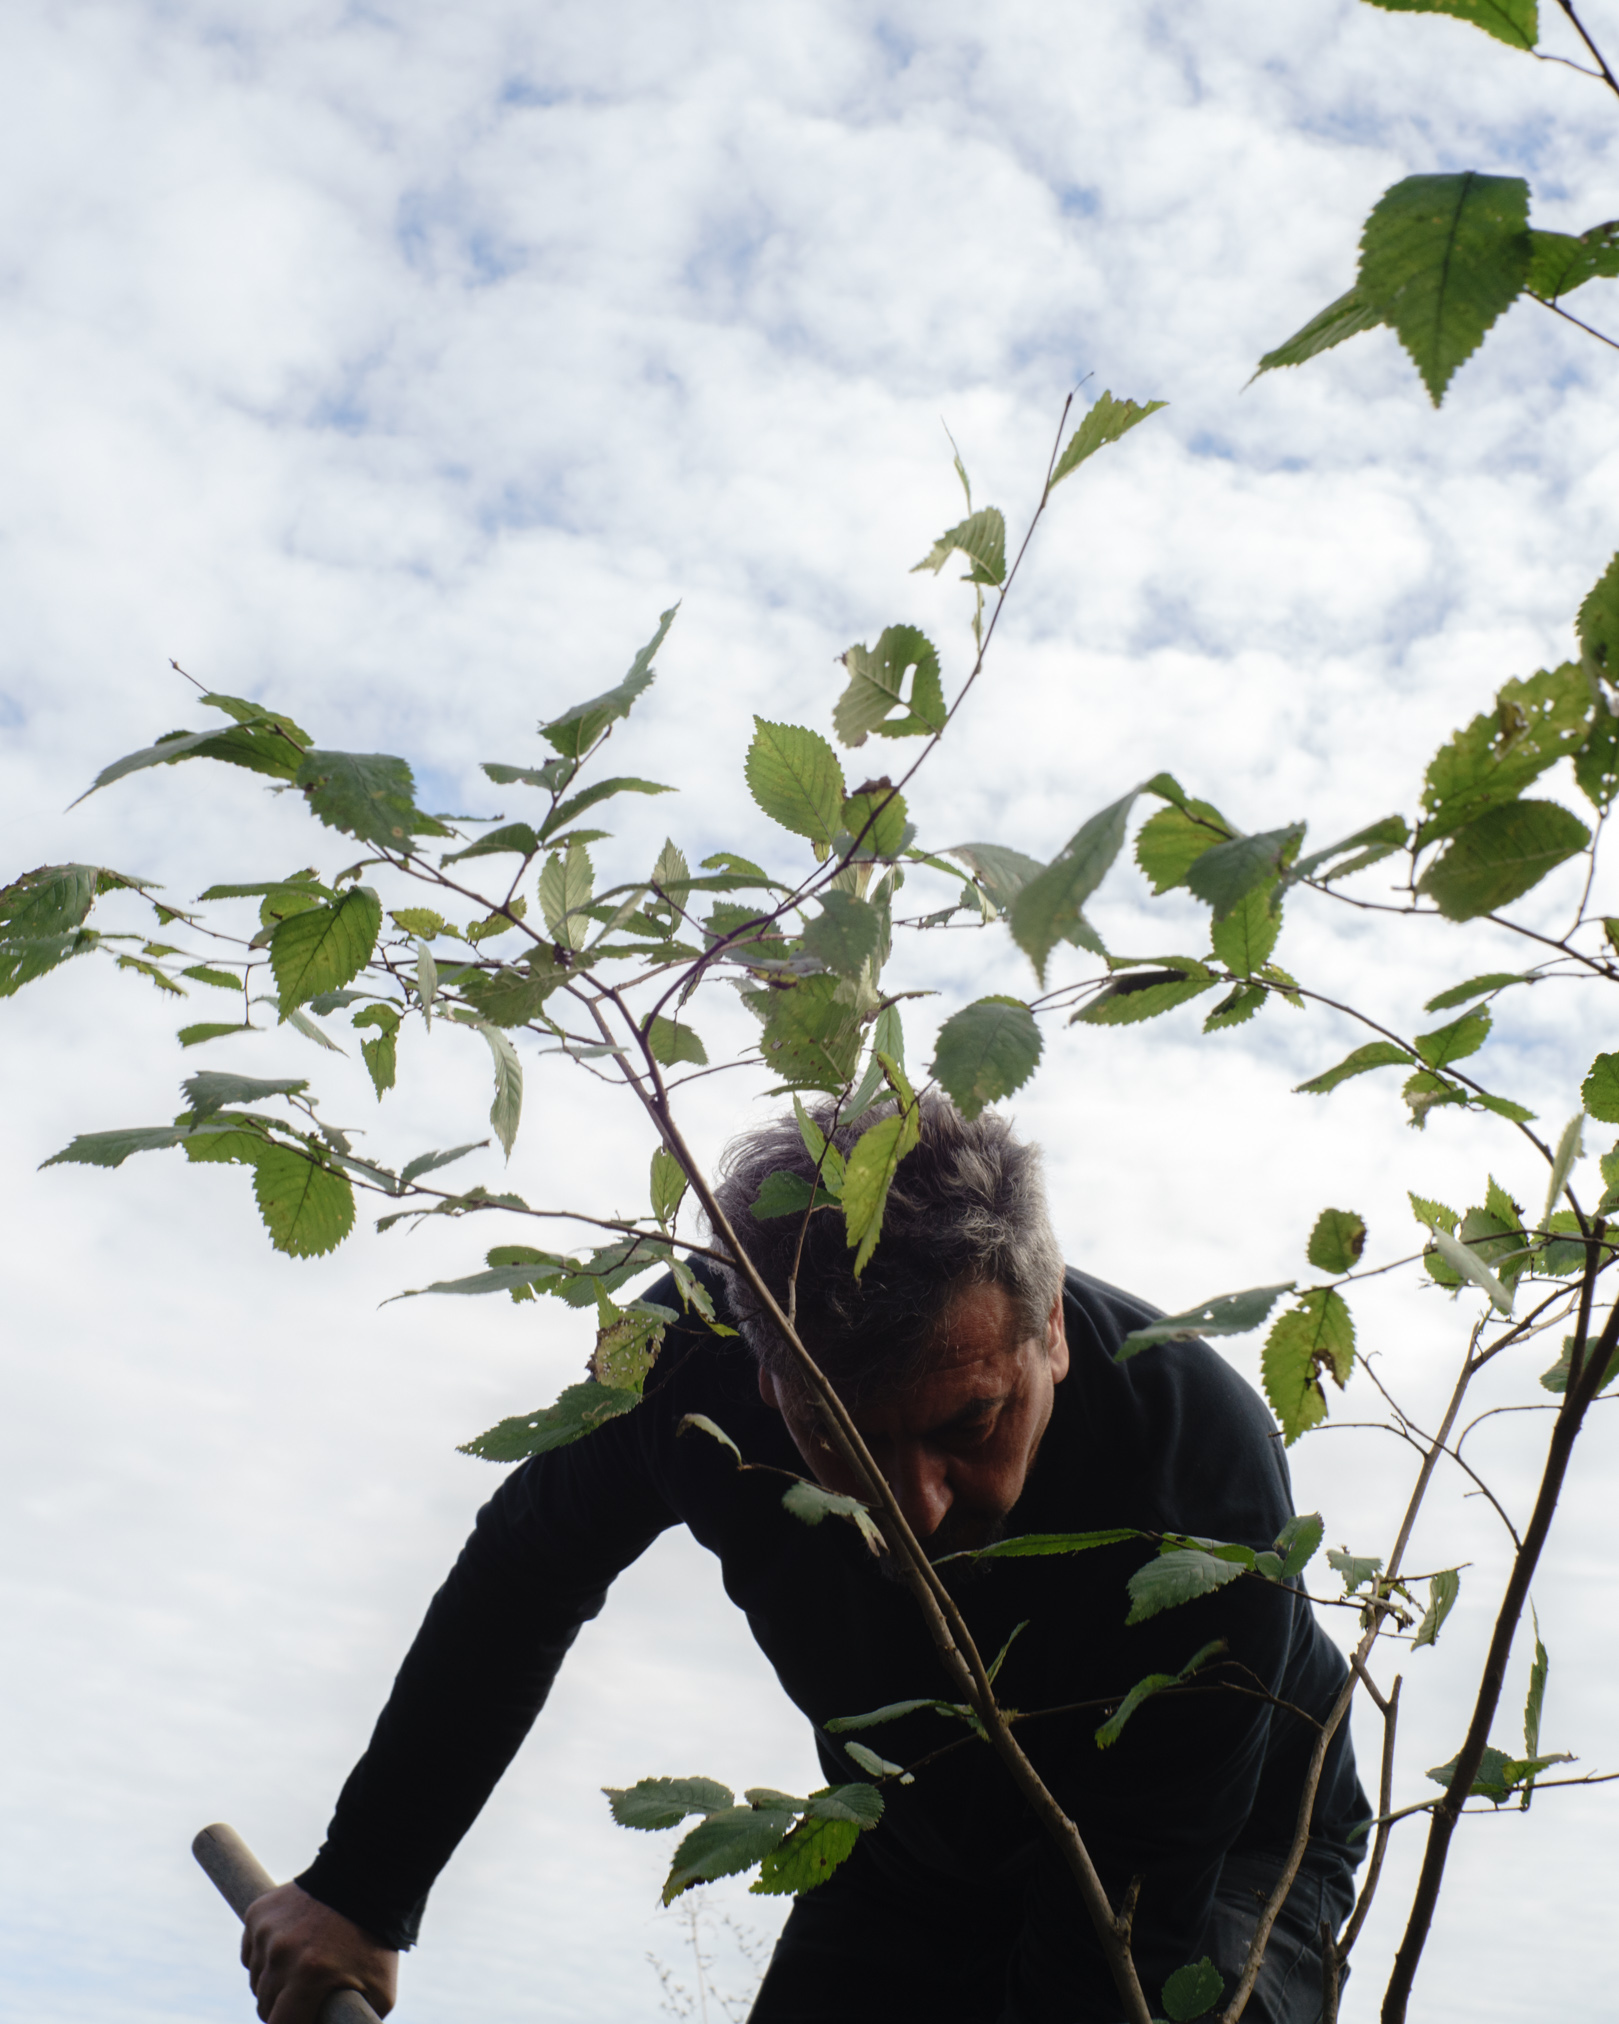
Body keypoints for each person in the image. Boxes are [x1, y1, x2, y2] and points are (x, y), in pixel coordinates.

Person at [241, 1097, 1368, 2023]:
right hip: (913, 1835)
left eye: (968, 1423)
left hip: (1218, 1859)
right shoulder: (684, 1354)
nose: (912, 1508)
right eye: (843, 1439)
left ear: (1051, 1334)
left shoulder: (1196, 1465)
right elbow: (524, 1571)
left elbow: (1121, 1927)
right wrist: (361, 1890)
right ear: (766, 1376)